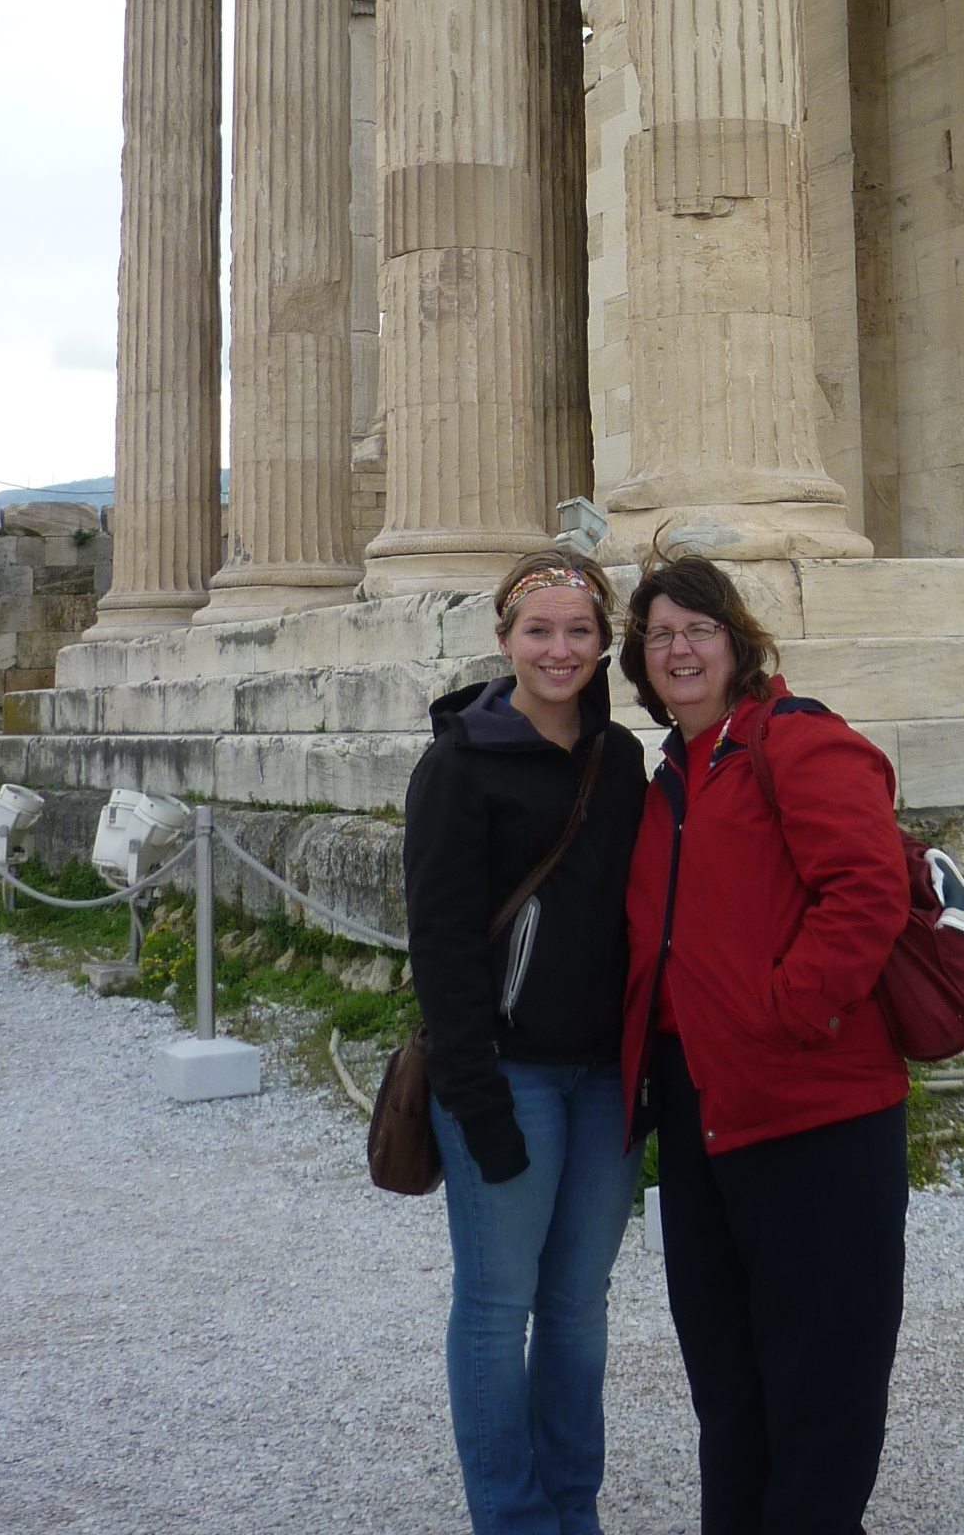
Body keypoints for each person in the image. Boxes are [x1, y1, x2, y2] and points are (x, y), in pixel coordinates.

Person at [619, 551, 911, 1535]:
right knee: (729, 1375)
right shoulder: (670, 776)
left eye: (698, 629)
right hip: (703, 1113)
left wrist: (783, 1015)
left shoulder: (800, 741)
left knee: (821, 1379)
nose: (680, 649)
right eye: (660, 634)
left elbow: (866, 891)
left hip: (812, 1105)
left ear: (737, 642)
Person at [405, 548, 646, 1535]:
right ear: (504, 639)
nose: (559, 649)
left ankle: (572, 1509)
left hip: (605, 1079)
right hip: (507, 1077)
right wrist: (475, 1099)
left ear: (603, 644)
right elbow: (442, 944)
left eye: (579, 630)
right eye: (538, 629)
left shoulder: (620, 760)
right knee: (499, 1306)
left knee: (580, 1305)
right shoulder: (458, 764)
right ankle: (513, 1518)